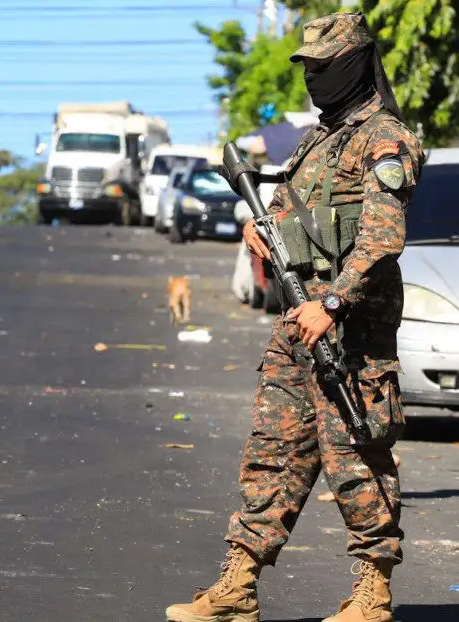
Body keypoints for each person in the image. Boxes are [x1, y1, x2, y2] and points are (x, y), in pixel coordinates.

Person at [166, 12, 422, 622]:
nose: (312, 78)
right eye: (306, 67)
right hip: (295, 326)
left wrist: (332, 302)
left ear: (355, 65)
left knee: (357, 456)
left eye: (323, 67)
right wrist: (262, 227)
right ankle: (237, 588)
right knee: (272, 454)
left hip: (350, 330)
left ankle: (372, 594)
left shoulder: (385, 139)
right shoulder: (315, 140)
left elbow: (383, 240)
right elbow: (286, 206)